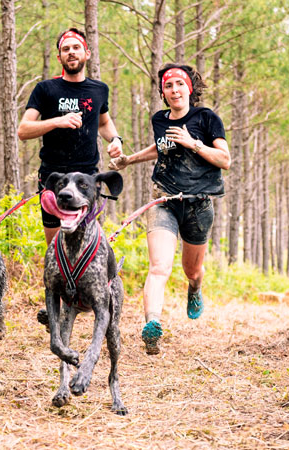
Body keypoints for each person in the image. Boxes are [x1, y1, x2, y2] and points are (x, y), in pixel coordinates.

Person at [108, 63, 231, 355]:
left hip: (199, 204)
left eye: (179, 84)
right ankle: (152, 325)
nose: (174, 90)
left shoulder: (207, 118)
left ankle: (195, 288)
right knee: (160, 266)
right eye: (168, 86)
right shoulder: (159, 119)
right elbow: (160, 147)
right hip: (164, 199)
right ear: (163, 93)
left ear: (189, 88)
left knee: (192, 269)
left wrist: (194, 143)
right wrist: (129, 159)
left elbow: (225, 160)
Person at [17, 28, 123, 244]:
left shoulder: (99, 90)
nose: (71, 52)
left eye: (76, 48)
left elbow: (103, 122)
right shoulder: (46, 89)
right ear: (59, 57)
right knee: (55, 247)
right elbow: (23, 130)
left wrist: (115, 140)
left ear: (87, 53)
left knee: (87, 242)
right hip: (53, 177)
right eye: (66, 49)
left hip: (87, 178)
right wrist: (58, 121)